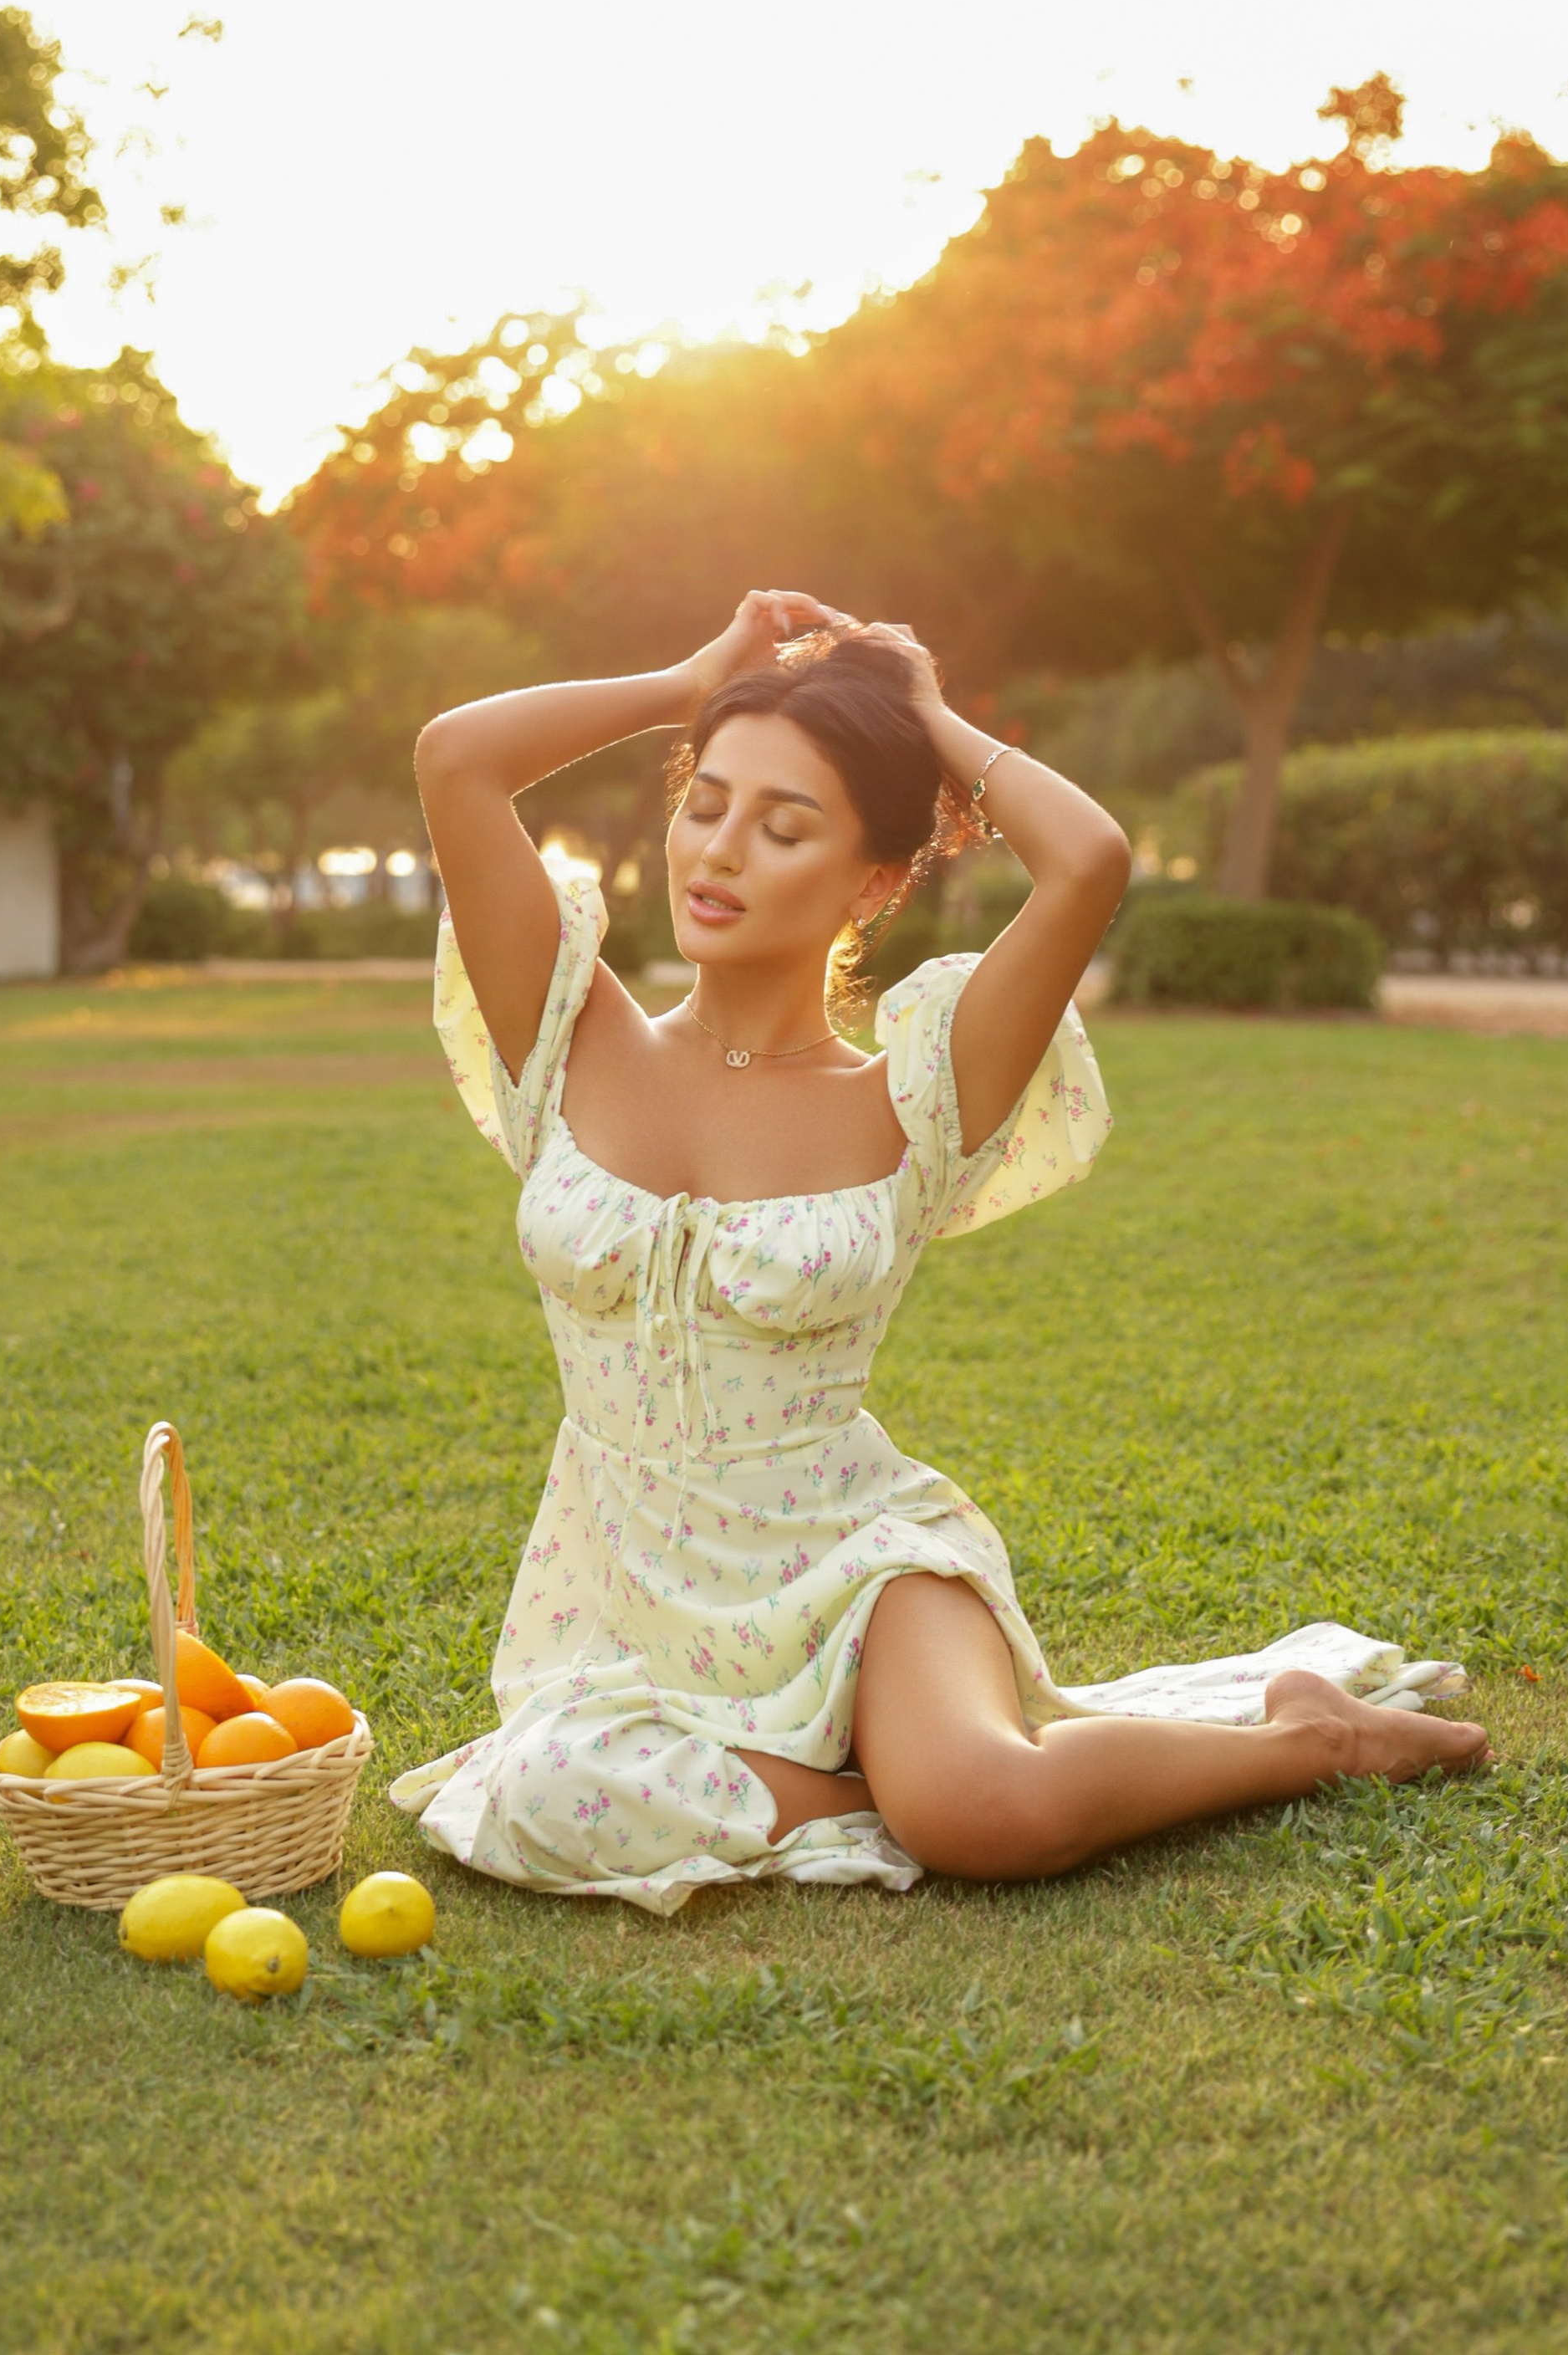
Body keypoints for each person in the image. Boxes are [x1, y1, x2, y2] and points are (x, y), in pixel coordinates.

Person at [388, 592, 1487, 1914]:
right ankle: (878, 1784)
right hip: (623, 1600)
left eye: (784, 825)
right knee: (550, 1786)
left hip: (856, 1569)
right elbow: (457, 756)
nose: (719, 852)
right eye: (707, 802)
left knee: (986, 1810)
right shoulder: (567, 1032)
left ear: (873, 880)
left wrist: (920, 715)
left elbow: (1086, 863)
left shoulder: (919, 1089)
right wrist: (690, 679)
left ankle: (1308, 1743)